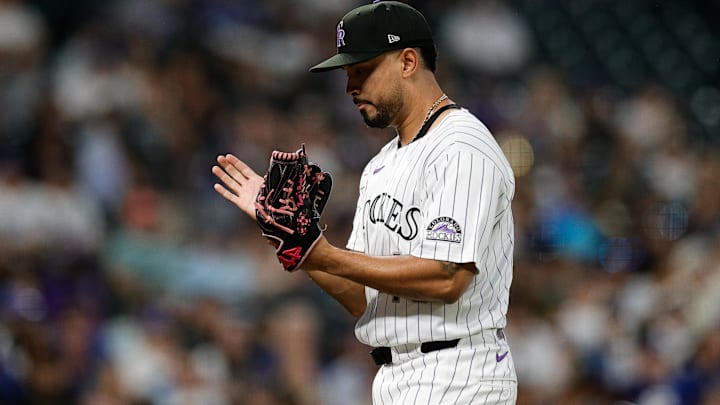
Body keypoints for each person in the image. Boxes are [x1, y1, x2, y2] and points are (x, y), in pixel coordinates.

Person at [212, 1, 518, 403]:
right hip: (397, 378)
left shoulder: (461, 147)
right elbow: (364, 298)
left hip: (460, 372)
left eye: (362, 70)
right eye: (348, 73)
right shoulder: (380, 166)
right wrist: (290, 241)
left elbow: (447, 277)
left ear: (408, 61)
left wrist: (321, 252)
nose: (350, 87)